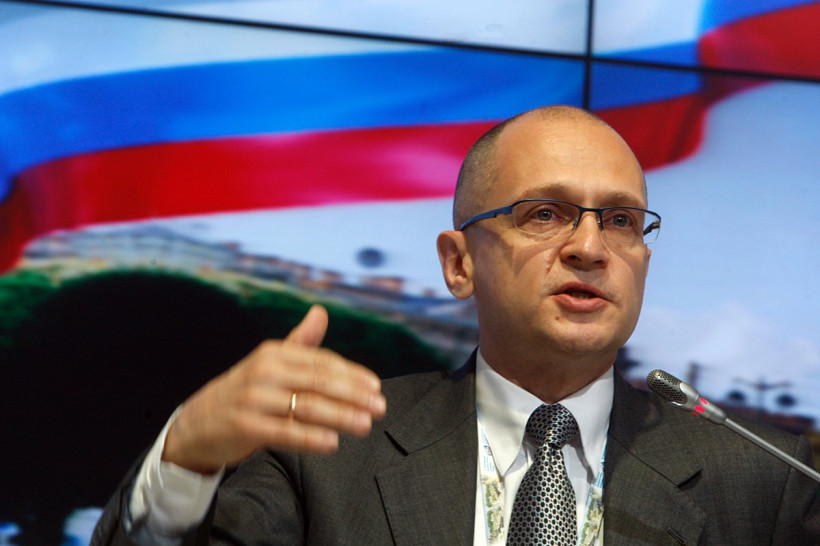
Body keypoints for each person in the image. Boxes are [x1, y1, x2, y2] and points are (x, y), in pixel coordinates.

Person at [92, 105, 819, 545]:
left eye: (621, 221)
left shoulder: (766, 479)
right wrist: (185, 456)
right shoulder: (326, 454)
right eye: (545, 213)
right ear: (459, 263)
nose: (591, 247)